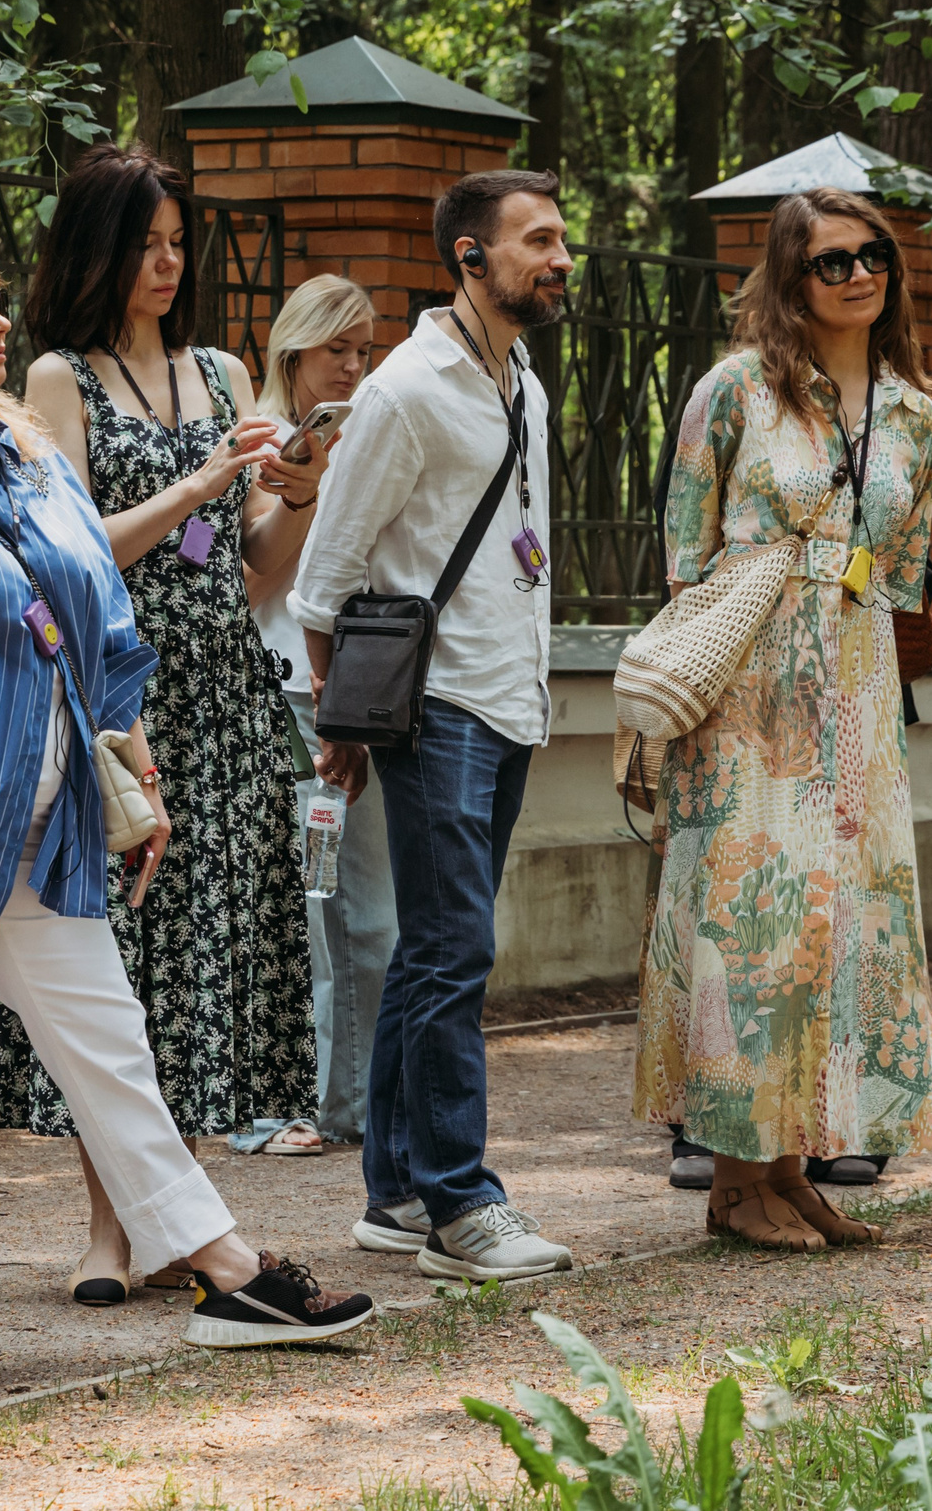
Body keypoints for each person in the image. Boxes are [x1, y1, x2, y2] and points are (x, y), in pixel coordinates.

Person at [0, 231, 375, 1375]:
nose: (1, 320)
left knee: (107, 1039)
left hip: (42, 808)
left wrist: (135, 770)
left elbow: (93, 626)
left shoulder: (27, 460)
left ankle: (220, 1267)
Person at [0, 145, 334, 1301]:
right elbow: (75, 550)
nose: (167, 264)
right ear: (96, 251)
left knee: (202, 957)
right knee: (113, 963)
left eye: (178, 243)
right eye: (144, 244)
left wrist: (296, 495)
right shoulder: (54, 380)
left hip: (227, 694)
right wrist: (196, 488)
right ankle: (107, 1230)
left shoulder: (228, 375)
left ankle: (175, 1219)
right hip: (119, 692)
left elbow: (251, 575)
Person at [631, 187, 932, 1250]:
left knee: (832, 928)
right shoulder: (735, 392)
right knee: (750, 926)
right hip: (748, 689)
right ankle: (732, 1177)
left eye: (873, 259)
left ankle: (788, 1165)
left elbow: (903, 572)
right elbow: (685, 550)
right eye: (830, 262)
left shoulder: (914, 412)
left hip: (855, 686)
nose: (859, 275)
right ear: (787, 276)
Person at [291, 169, 577, 1282]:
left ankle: (397, 1191)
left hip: (510, 701)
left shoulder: (522, 384)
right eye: (537, 241)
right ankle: (464, 1206)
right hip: (437, 706)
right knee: (456, 949)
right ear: (469, 256)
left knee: (428, 954)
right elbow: (326, 577)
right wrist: (344, 720)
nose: (558, 260)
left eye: (561, 242)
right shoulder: (407, 390)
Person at [245, 273, 399, 1148]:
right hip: (293, 702)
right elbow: (255, 574)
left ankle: (348, 1101)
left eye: (362, 350)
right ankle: (324, 1105)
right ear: (293, 350)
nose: (350, 366)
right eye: (334, 349)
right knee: (324, 906)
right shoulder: (261, 438)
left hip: (359, 695)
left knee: (358, 910)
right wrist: (301, 482)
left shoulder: (375, 427)